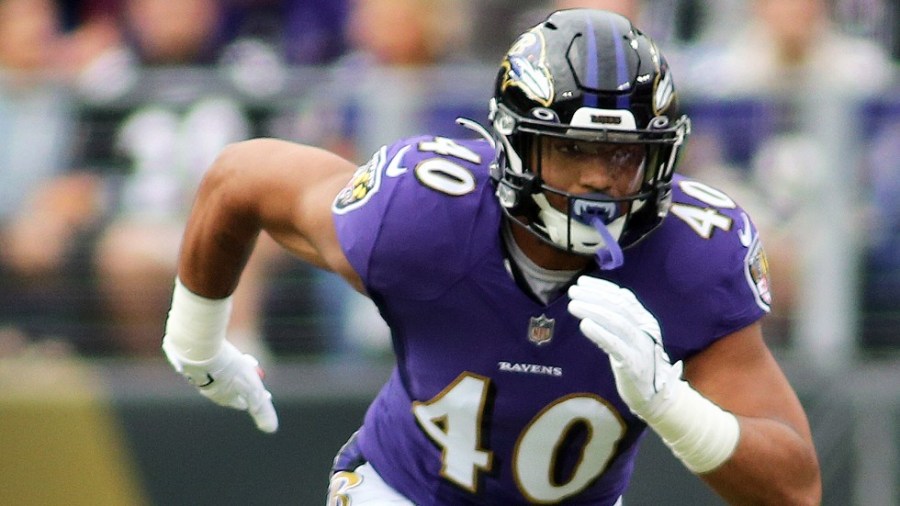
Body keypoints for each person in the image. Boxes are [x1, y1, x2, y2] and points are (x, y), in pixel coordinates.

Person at [161, 9, 821, 504]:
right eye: (573, 149)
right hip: (404, 493)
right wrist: (197, 343)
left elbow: (797, 488)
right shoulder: (422, 215)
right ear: (515, 147)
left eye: (624, 155)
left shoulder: (690, 256)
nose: (599, 180)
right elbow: (238, 177)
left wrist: (675, 407)